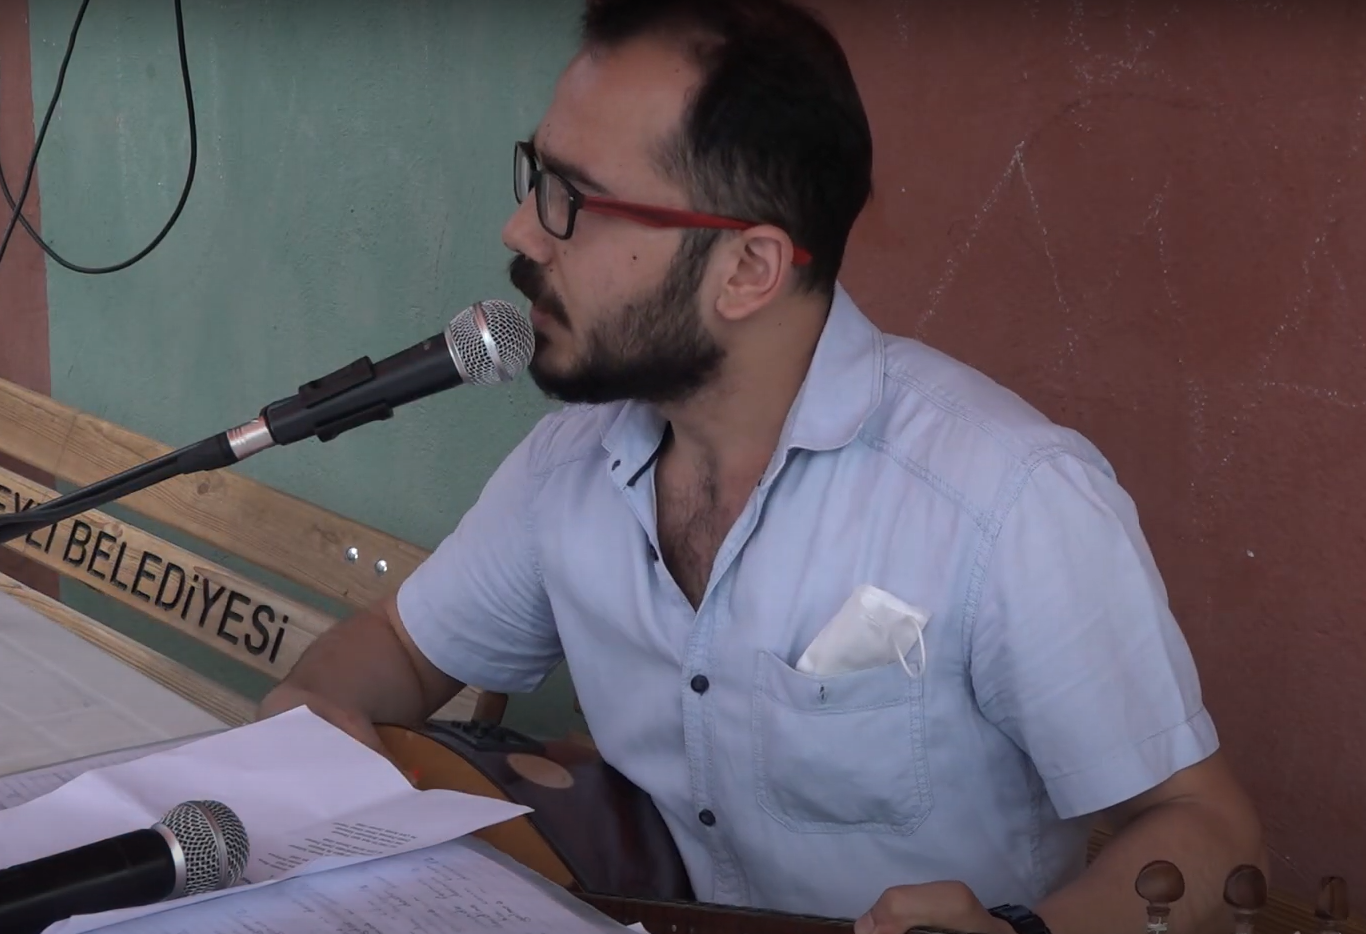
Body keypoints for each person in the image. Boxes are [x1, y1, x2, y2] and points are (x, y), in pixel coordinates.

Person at [259, 0, 1264, 931]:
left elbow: (1207, 831)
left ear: (747, 270)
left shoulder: (1005, 498)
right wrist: (316, 712)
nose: (521, 232)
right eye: (537, 175)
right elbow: (403, 645)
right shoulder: (567, 465)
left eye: (575, 200)